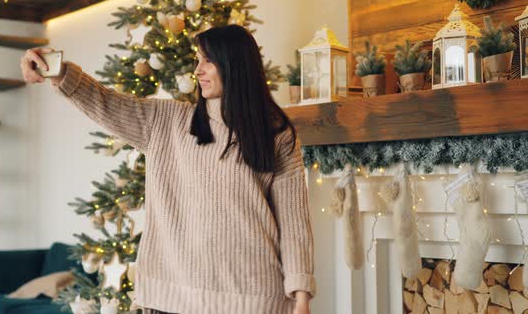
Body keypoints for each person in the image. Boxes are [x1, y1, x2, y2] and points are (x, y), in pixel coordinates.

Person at [20, 24, 316, 314]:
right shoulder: (168, 121)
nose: (197, 70)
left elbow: (294, 223)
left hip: (255, 299)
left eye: (208, 60)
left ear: (235, 64)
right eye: (197, 60)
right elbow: (105, 103)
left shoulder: (277, 133)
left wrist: (301, 297)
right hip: (176, 299)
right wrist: (59, 72)